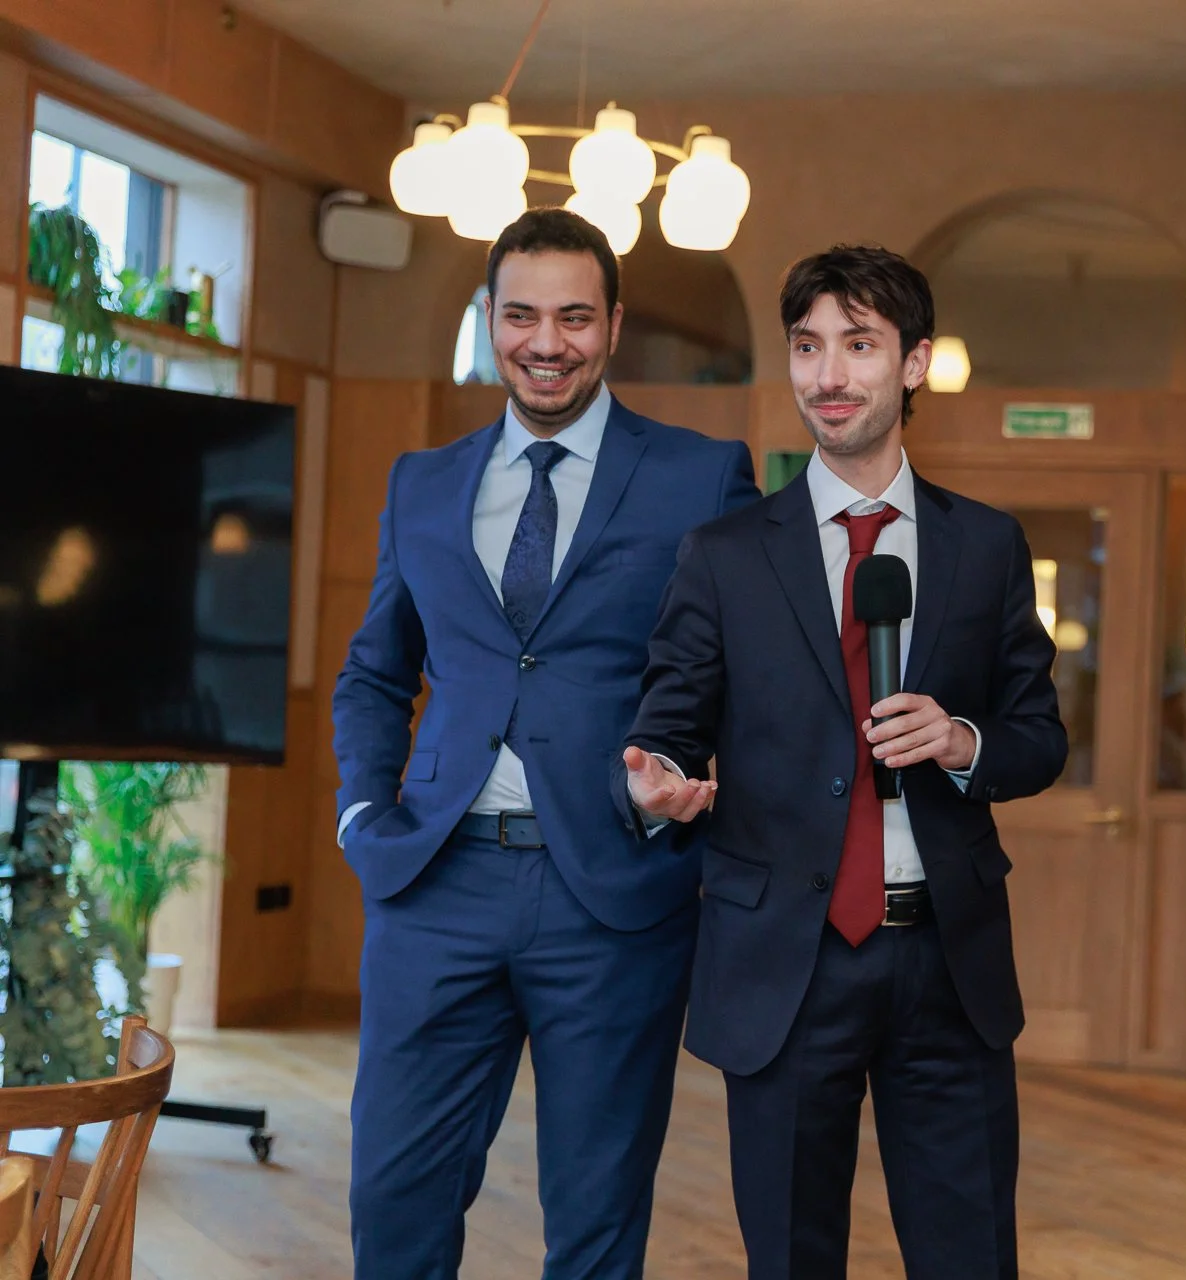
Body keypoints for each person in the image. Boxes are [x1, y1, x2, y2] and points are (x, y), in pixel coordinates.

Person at [614, 244, 1066, 1278]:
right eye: (809, 346)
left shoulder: (985, 545)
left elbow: (1039, 736)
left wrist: (963, 741)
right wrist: (655, 786)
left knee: (969, 1258)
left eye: (859, 345)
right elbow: (667, 726)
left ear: (914, 363)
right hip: (786, 959)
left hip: (947, 959)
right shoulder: (725, 553)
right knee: (789, 1257)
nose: (829, 374)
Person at [332, 208, 758, 1279]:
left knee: (598, 1214)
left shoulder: (701, 477)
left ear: (613, 326)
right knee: (393, 1196)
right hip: (435, 880)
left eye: (574, 315)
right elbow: (376, 672)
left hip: (613, 889)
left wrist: (698, 785)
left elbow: (750, 678)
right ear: (488, 320)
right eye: (520, 314)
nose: (546, 340)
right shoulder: (420, 482)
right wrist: (362, 810)